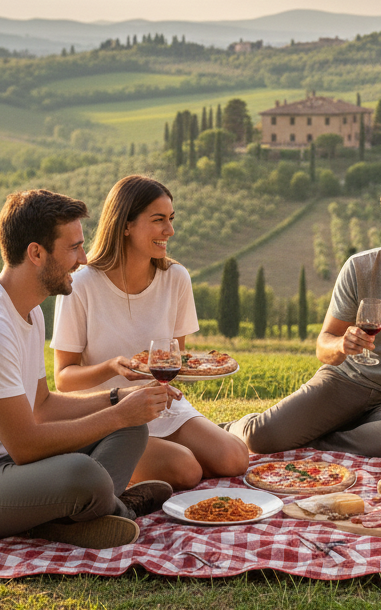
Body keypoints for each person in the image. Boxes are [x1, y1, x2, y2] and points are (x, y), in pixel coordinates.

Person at [0, 189, 177, 549]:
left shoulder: (29, 311)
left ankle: (75, 516)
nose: (83, 259)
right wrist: (115, 415)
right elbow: (25, 447)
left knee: (131, 430)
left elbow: (43, 405)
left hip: (3, 467)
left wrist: (118, 398)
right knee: (85, 474)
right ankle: (108, 508)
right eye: (73, 247)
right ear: (36, 253)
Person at [226, 180, 381, 457]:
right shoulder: (359, 268)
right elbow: (323, 345)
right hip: (341, 385)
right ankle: (226, 429)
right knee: (260, 437)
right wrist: (341, 345)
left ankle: (320, 441)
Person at [52, 175, 248, 490]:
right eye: (158, 220)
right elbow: (63, 378)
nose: (169, 231)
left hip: (161, 405)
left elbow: (176, 360)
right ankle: (102, 466)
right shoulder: (81, 285)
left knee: (234, 458)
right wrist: (112, 367)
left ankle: (134, 471)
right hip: (107, 411)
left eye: (170, 220)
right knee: (187, 470)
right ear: (125, 224)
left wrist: (193, 368)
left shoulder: (176, 278)